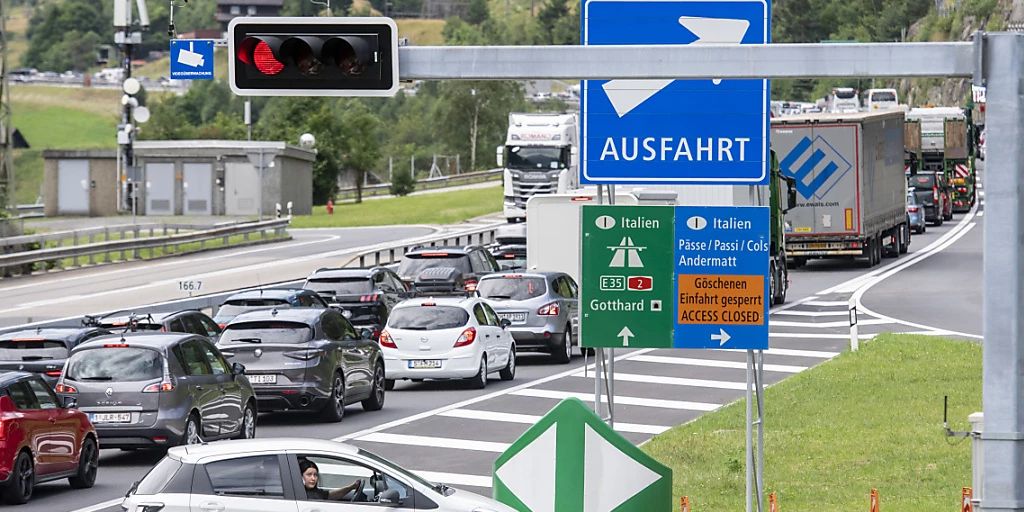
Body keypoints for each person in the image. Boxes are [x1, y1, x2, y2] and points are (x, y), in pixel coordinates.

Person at [299, 459, 364, 501]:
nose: (313, 478)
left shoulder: (315, 492)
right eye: (309, 475)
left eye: (315, 475)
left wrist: (352, 487)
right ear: (301, 476)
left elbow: (331, 495)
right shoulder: (303, 496)